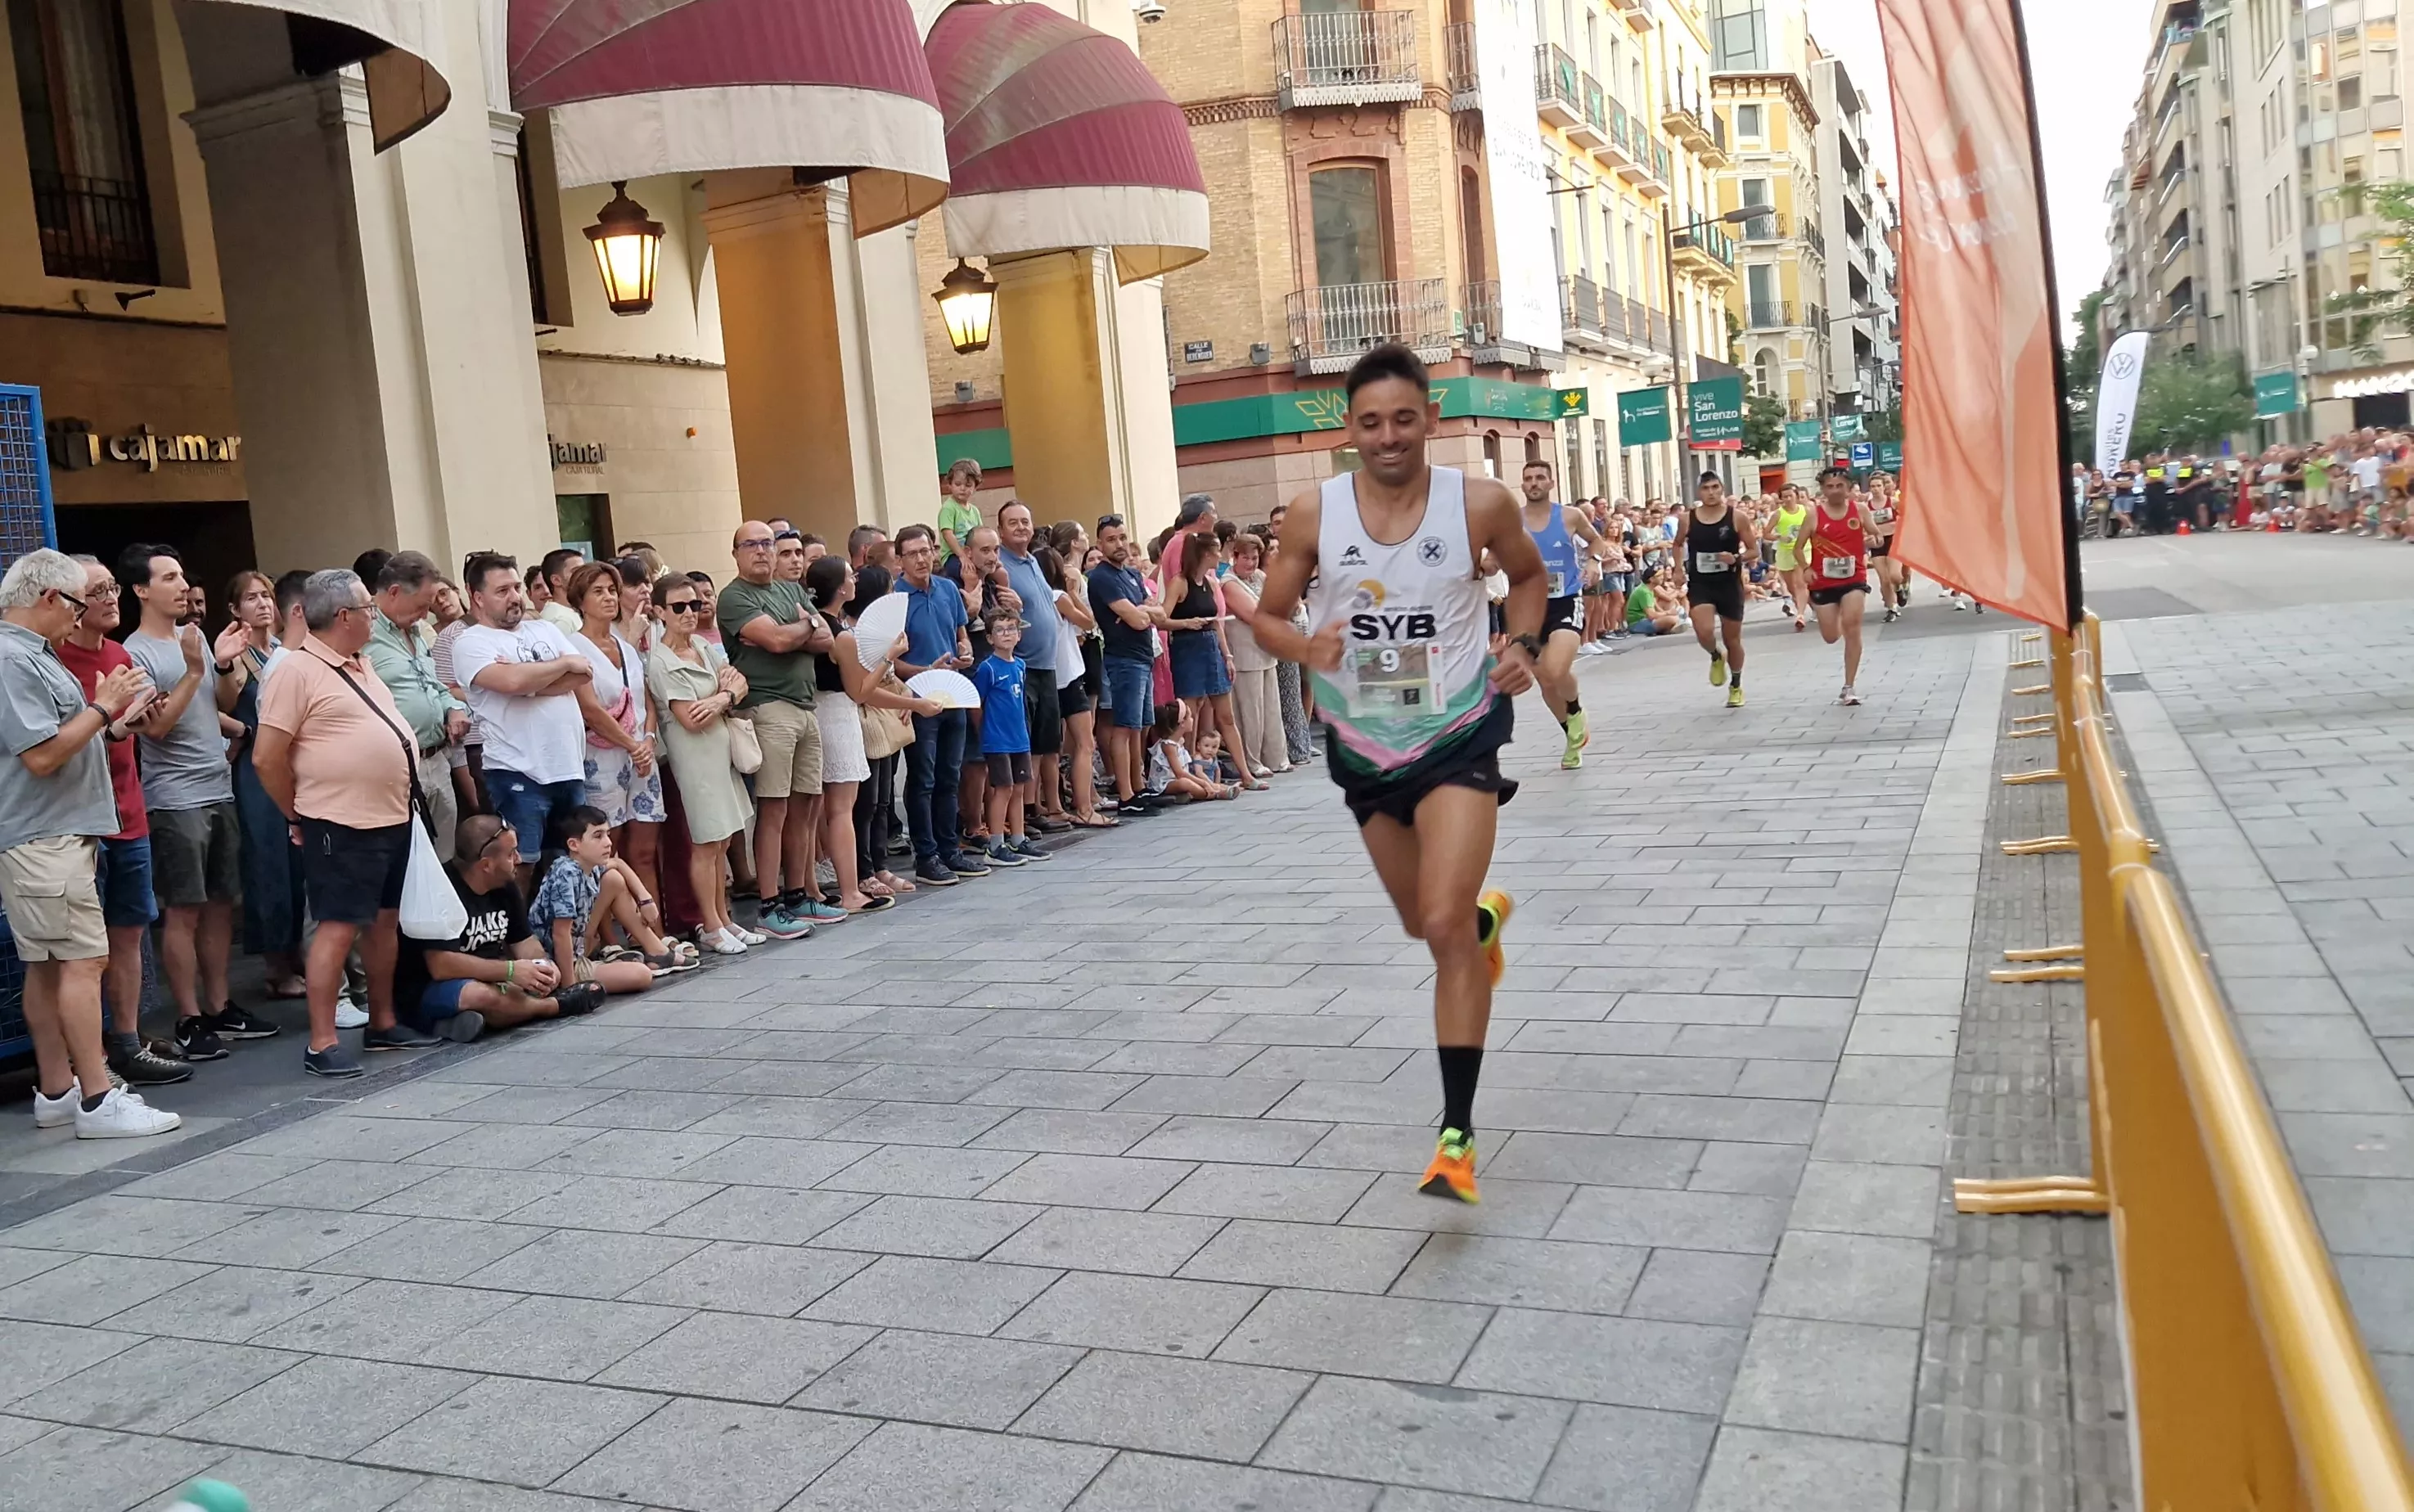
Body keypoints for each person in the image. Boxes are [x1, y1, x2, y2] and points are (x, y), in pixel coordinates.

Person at [1246, 342, 1543, 1206]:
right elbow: (1266, 618)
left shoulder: (1478, 504)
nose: (1388, 436)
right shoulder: (1312, 515)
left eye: (1403, 419)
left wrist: (1519, 644)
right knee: (1427, 923)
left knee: (1442, 921)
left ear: (1429, 419)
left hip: (1455, 731)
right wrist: (1305, 645)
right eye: (1370, 422)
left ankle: (1456, 1137)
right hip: (1364, 744)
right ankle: (1481, 928)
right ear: (1349, 429)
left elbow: (1528, 579)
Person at [0, 550, 182, 1136]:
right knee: (83, 961)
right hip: (44, 834)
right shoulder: (11, 658)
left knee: (51, 966)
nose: (81, 616)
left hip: (52, 833)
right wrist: (104, 706)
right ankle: (98, 1099)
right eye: (77, 603)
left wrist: (112, 718)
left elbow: (61, 743)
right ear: (50, 599)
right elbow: (43, 755)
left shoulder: (30, 655)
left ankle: (57, 1089)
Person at [250, 569, 442, 1078]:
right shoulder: (295, 670)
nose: (373, 616)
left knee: (383, 923)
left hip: (391, 814)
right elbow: (267, 758)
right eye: (367, 609)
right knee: (337, 928)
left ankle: (383, 1021)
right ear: (343, 617)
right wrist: (297, 814)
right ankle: (322, 1041)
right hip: (338, 819)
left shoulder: (360, 662)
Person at [119, 545, 271, 1061]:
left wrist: (222, 663)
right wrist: (190, 670)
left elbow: (219, 704)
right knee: (183, 910)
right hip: (175, 797)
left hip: (217, 785)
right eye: (169, 577)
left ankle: (221, 1004)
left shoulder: (195, 640)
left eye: (183, 575)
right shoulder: (135, 652)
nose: (183, 586)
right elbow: (156, 728)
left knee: (222, 906)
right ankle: (188, 1017)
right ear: (141, 590)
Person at [56, 556, 188, 1086]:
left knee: (129, 935)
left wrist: (139, 719)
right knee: (82, 951)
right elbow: (49, 750)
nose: (111, 598)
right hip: (77, 822)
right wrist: (109, 721)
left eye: (113, 587)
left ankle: (129, 1042)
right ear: (66, 601)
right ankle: (83, 1063)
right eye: (98, 591)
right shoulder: (53, 661)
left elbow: (141, 732)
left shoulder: (116, 654)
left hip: (128, 814)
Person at [720, 520, 839, 938]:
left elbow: (825, 638)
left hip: (804, 705)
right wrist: (793, 632)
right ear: (735, 553)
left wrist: (796, 632)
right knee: (774, 808)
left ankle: (797, 894)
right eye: (751, 544)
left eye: (768, 543)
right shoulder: (734, 597)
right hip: (767, 707)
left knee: (807, 804)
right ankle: (769, 905)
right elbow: (772, 641)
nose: (762, 551)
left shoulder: (788, 589)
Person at [394, 814, 604, 1041]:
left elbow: (523, 941)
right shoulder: (441, 890)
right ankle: (554, 1007)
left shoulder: (505, 885)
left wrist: (542, 967)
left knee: (511, 990)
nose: (519, 858)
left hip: (492, 977)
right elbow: (442, 965)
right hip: (431, 987)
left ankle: (467, 1022)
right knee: (480, 995)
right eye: (511, 853)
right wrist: (512, 971)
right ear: (486, 865)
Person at [452, 552, 593, 886]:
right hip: (517, 771)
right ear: (477, 597)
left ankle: (563, 937)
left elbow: (583, 673)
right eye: (502, 591)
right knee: (520, 865)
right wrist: (559, 665)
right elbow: (510, 682)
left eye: (516, 587)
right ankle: (520, 935)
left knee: (571, 864)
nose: (515, 597)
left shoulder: (543, 628)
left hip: (568, 767)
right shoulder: (470, 642)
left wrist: (526, 682)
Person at [642, 574, 758, 954]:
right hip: (694, 760)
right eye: (679, 607)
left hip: (719, 754)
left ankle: (724, 919)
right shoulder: (660, 662)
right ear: (659, 611)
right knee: (706, 845)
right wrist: (725, 695)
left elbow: (737, 682)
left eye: (694, 604)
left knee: (723, 840)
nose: (690, 613)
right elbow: (692, 717)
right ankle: (709, 925)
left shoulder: (702, 649)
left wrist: (721, 697)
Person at [563, 563, 665, 912]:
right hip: (603, 758)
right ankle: (610, 937)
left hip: (641, 755)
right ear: (580, 600)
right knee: (608, 849)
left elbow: (645, 698)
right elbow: (591, 709)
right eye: (598, 591)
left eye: (611, 590)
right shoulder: (573, 647)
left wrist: (648, 738)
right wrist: (633, 745)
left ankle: (653, 927)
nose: (608, 597)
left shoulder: (625, 645)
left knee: (644, 848)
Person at [361, 551, 467, 864]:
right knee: (406, 864)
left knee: (443, 859)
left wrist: (454, 709)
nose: (425, 615)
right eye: (421, 605)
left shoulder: (415, 630)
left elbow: (434, 684)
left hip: (437, 758)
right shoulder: (361, 630)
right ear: (394, 592)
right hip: (396, 767)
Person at [895, 523, 985, 884]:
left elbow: (961, 634)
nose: (921, 558)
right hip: (919, 698)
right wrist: (924, 669)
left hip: (953, 692)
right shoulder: (895, 600)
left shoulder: (948, 589)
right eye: (913, 553)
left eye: (926, 550)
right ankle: (927, 854)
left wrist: (964, 650)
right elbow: (888, 661)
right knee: (924, 777)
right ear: (900, 559)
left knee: (951, 774)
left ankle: (950, 849)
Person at [802, 556, 891, 914]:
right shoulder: (840, 636)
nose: (855, 580)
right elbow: (859, 691)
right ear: (841, 588)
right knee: (841, 810)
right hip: (837, 715)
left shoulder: (812, 623)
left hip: (815, 711)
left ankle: (811, 888)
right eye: (850, 576)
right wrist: (890, 657)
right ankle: (851, 890)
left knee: (812, 812)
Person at [840, 565, 926, 898]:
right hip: (866, 719)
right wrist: (890, 657)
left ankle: (880, 865)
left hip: (886, 718)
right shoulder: (852, 635)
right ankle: (864, 870)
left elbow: (888, 678)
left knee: (883, 801)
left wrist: (905, 694)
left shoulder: (876, 632)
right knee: (866, 802)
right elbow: (864, 686)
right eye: (888, 591)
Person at [529, 805, 684, 983]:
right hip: (558, 964)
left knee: (613, 879)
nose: (608, 842)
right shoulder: (566, 874)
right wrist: (570, 987)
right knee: (641, 976)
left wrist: (645, 899)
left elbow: (618, 863)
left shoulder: (588, 864)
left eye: (607, 834)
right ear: (574, 844)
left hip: (578, 948)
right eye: (598, 836)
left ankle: (657, 953)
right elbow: (560, 934)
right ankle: (578, 978)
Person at [1518, 459, 1606, 769]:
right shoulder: (1512, 521)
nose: (1534, 483)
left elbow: (1596, 539)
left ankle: (1576, 710)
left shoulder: (1569, 515)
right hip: (1528, 606)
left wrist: (1593, 562)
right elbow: (1494, 557)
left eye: (1540, 477)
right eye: (1528, 478)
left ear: (1551, 483)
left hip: (1566, 598)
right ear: (1522, 484)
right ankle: (1572, 736)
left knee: (1556, 669)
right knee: (1544, 679)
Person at [996, 503, 1070, 834]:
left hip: (1046, 664)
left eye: (1025, 521)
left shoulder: (1033, 561)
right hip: (1022, 666)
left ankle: (1035, 804)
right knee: (1025, 743)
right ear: (1001, 531)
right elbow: (1003, 613)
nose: (1021, 527)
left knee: (1044, 742)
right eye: (1013, 523)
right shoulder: (1002, 565)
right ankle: (1025, 810)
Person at [1087, 515, 1164, 817]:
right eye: (1111, 539)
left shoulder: (1131, 574)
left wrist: (1143, 611)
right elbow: (1139, 619)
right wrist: (1142, 612)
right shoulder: (1102, 577)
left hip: (1143, 656)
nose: (1118, 544)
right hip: (1124, 660)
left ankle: (1139, 785)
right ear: (1099, 544)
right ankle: (1126, 794)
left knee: (1140, 727)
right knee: (1124, 726)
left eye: (1121, 537)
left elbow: (1153, 611)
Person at [1670, 473, 1755, 709]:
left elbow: (1754, 550)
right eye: (1706, 488)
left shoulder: (1736, 517)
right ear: (1699, 492)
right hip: (1701, 583)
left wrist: (1736, 557)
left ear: (1722, 489)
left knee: (1732, 639)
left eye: (1715, 487)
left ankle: (1736, 684)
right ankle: (1716, 655)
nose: (1711, 492)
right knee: (1704, 630)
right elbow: (1677, 544)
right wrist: (1677, 568)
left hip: (1728, 583)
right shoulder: (1688, 519)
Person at [1042, 527, 1109, 826]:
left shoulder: (1041, 598)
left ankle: (1055, 805)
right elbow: (1088, 620)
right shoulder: (1058, 595)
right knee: (1084, 742)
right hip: (1068, 675)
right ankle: (1084, 807)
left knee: (1052, 748)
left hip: (1051, 674)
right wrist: (1072, 592)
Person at [971, 615, 1051, 868]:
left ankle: (1018, 838)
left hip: (1019, 738)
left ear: (1019, 634)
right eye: (999, 630)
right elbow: (977, 704)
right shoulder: (988, 668)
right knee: (1003, 789)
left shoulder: (1020, 666)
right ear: (989, 638)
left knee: (1019, 788)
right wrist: (984, 731)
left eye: (1011, 629)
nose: (1006, 634)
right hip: (998, 740)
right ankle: (995, 845)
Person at [1805, 467, 1876, 705]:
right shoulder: (1814, 515)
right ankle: (1823, 612)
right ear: (1823, 489)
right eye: (1829, 486)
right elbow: (1798, 547)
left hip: (1854, 577)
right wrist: (1806, 568)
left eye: (1839, 486)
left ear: (1848, 488)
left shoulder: (1860, 510)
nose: (1834, 490)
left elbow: (1876, 536)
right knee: (1831, 636)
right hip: (1824, 582)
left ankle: (1849, 687)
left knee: (1852, 625)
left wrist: (1872, 540)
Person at [1219, 531, 1287, 781]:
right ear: (1234, 557)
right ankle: (1253, 761)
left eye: (1255, 557)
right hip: (1245, 653)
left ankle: (1277, 758)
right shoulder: (1228, 583)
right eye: (1245, 557)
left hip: (1266, 650)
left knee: (1271, 707)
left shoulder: (1259, 576)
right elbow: (1254, 614)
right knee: (1251, 711)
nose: (1251, 563)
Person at [1768, 484, 1811, 630]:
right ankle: (1811, 606)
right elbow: (1766, 533)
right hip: (1785, 552)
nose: (1788, 499)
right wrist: (1779, 536)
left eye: (1791, 496)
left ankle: (1800, 615)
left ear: (1797, 496)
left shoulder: (1806, 511)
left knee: (1801, 583)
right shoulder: (1778, 514)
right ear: (1781, 499)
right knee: (1792, 588)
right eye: (1785, 497)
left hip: (1803, 550)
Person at [938, 458, 984, 561]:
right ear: (950, 485)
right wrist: (962, 555)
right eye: (958, 484)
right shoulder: (949, 508)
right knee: (970, 574)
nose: (962, 488)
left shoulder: (975, 511)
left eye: (968, 485)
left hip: (972, 554)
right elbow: (947, 534)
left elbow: (981, 534)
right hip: (953, 555)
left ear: (975, 487)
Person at [535, 549, 585, 634]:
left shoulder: (571, 613)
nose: (584, 575)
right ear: (556, 580)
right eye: (577, 571)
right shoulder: (561, 620)